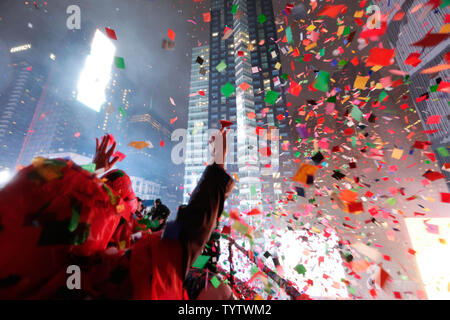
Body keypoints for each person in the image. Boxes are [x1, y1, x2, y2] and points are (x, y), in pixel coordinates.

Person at [0, 128, 233, 300]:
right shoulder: (97, 277)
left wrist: (94, 173)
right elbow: (173, 244)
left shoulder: (32, 265)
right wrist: (217, 170)